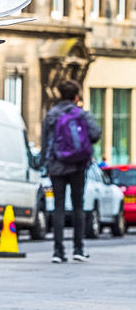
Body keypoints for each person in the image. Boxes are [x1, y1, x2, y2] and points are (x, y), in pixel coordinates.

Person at [40, 80, 101, 263]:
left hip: (57, 166)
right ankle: (78, 249)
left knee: (58, 207)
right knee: (78, 207)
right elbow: (96, 133)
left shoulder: (51, 115)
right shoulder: (81, 114)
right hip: (77, 166)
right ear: (76, 96)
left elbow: (44, 143)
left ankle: (58, 252)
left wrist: (46, 165)